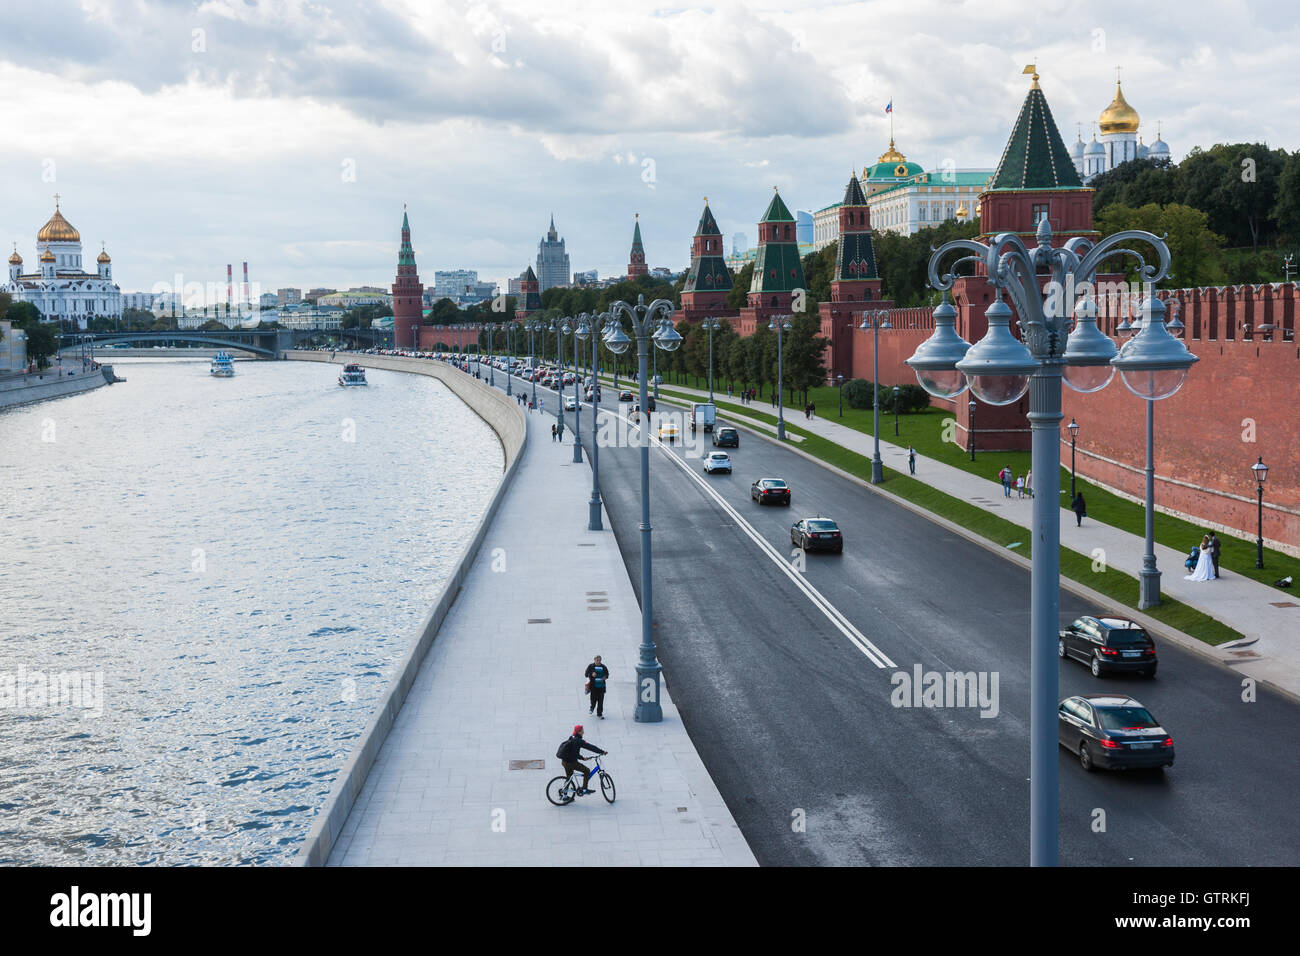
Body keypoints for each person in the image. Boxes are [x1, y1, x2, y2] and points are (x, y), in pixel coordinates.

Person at [556, 725, 606, 795]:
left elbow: (573, 752)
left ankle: (565, 796)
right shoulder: (579, 741)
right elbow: (590, 747)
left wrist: (582, 758)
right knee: (587, 771)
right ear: (579, 731)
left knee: (569, 778)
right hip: (571, 763)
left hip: (564, 761)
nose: (583, 732)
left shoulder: (572, 737)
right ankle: (584, 789)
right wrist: (602, 752)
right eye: (582, 730)